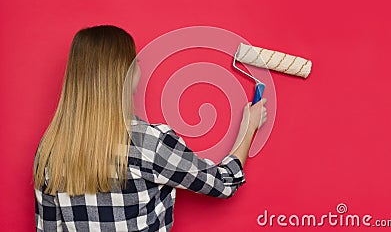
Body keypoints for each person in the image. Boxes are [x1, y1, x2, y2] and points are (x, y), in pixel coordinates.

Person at [33, 25, 267, 232]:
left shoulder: (51, 148)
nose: (140, 71)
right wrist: (248, 128)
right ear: (124, 76)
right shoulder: (150, 143)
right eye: (136, 64)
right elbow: (224, 183)